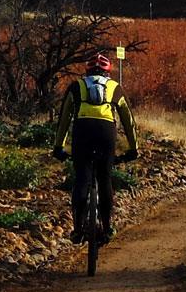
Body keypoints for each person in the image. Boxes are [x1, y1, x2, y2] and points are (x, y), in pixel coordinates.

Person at [52, 53, 139, 245]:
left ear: (87, 71)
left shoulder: (77, 86)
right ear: (107, 72)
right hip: (106, 132)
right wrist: (134, 148)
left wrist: (58, 147)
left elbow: (64, 120)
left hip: (82, 131)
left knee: (82, 177)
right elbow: (128, 121)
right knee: (104, 177)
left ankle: (77, 228)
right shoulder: (115, 87)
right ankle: (107, 227)